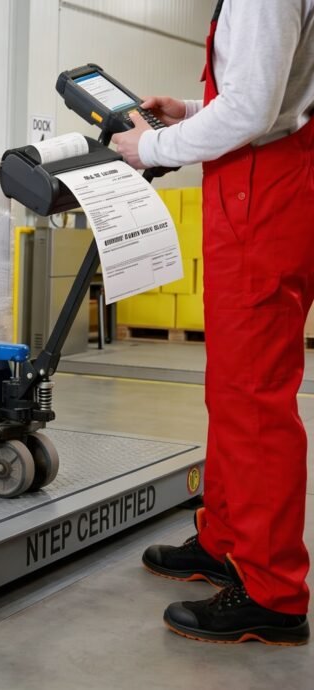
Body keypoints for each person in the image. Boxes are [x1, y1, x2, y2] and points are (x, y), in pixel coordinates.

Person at [111, 0, 314, 645]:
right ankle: (226, 540)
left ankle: (272, 590)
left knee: (253, 397)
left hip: (262, 188)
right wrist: (190, 113)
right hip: (261, 180)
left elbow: (254, 111)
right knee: (232, 388)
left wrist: (150, 146)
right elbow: (271, 94)